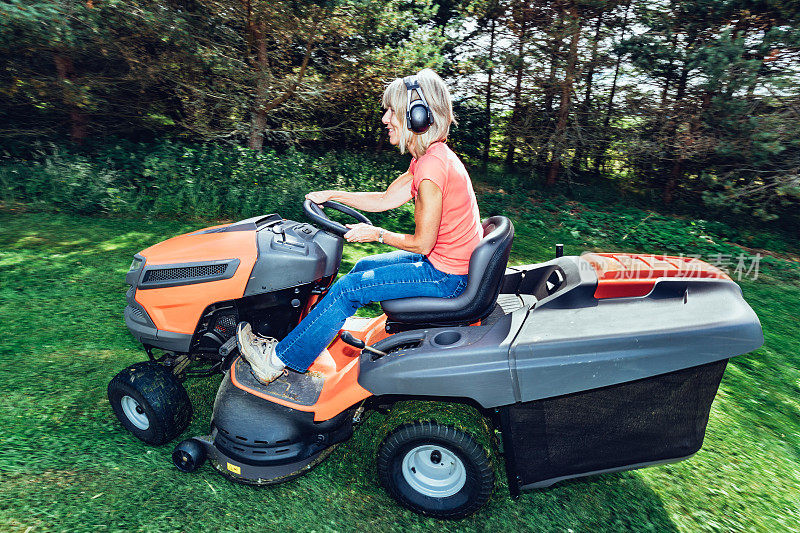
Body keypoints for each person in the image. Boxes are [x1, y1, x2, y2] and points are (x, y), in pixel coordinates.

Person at [236, 69, 483, 384]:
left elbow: (423, 244)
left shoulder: (433, 169)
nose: (385, 119)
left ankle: (275, 361)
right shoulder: (428, 158)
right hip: (446, 267)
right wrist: (334, 194)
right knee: (362, 267)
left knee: (347, 289)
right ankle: (310, 336)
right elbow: (384, 199)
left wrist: (377, 234)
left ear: (417, 116)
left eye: (392, 111)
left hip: (447, 279)